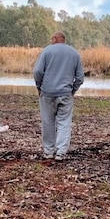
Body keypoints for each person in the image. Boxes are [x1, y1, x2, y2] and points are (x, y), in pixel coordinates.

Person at [33, 31, 84, 161]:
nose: (51, 41)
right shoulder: (74, 53)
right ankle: (61, 152)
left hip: (47, 92)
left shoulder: (46, 51)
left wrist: (39, 86)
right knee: (64, 122)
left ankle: (49, 151)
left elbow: (38, 71)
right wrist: (73, 89)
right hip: (65, 92)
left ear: (56, 39)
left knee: (48, 121)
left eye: (52, 39)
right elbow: (80, 77)